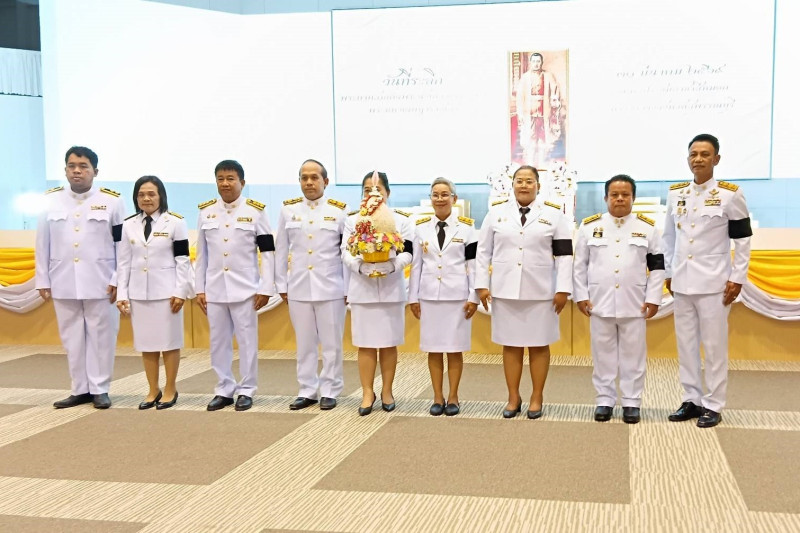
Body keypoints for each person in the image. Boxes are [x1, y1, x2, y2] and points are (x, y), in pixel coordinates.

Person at [663, 134, 752, 428]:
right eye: (694, 154)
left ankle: (713, 404)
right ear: (688, 158)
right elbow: (669, 237)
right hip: (682, 282)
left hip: (715, 284)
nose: (698, 159)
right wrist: (669, 273)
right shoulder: (676, 193)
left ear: (716, 159)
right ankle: (691, 399)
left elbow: (742, 239)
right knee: (686, 344)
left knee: (714, 347)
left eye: (704, 154)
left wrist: (737, 277)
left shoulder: (730, 194)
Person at [476, 165, 572, 419]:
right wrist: (481, 285)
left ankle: (537, 396)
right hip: (505, 291)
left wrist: (563, 288)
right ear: (512, 184)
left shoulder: (554, 215)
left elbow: (564, 255)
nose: (524, 185)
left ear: (538, 186)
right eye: (519, 181)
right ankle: (513, 397)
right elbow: (483, 252)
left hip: (541, 292)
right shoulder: (495, 214)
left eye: (530, 181)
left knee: (539, 345)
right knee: (511, 345)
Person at [35, 146, 126, 409]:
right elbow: (42, 242)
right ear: (65, 170)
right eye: (72, 166)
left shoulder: (112, 201)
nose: (77, 171)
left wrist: (118, 279)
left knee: (102, 336)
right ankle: (79, 388)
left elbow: (121, 244)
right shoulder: (50, 199)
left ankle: (100, 388)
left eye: (83, 166)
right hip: (63, 279)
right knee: (71, 337)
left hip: (102, 280)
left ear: (95, 171)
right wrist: (43, 279)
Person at [573, 175, 665, 424]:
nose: (620, 199)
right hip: (599, 302)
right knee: (602, 354)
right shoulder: (589, 226)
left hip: (634, 302)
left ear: (633, 198)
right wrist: (581, 295)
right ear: (606, 198)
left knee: (633, 355)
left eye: (625, 195)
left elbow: (657, 267)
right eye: (615, 195)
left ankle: (631, 402)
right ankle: (604, 400)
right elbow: (579, 265)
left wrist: (653, 298)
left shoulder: (647, 227)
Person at [195, 160, 275, 412]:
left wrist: (266, 287)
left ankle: (247, 389)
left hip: (246, 289)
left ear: (242, 182)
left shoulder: (256, 211)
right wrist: (199, 288)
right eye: (220, 179)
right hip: (215, 289)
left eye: (230, 178)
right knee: (218, 342)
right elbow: (202, 254)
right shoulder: (206, 212)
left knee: (247, 341)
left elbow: (268, 252)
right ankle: (224, 388)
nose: (225, 183)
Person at [275, 159, 348, 411]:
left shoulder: (339, 211)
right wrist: (281, 283)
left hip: (331, 286)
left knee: (332, 343)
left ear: (325, 181)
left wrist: (347, 288)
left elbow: (345, 252)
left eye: (314, 177)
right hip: (298, 286)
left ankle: (330, 389)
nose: (309, 182)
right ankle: (307, 390)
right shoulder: (288, 210)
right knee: (304, 344)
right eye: (304, 178)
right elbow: (281, 249)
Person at [116, 176, 194, 410]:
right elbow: (123, 262)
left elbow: (182, 260)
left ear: (161, 196)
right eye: (141, 194)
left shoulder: (175, 222)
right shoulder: (128, 224)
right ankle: (153, 390)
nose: (146, 198)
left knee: (169, 342)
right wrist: (122, 294)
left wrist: (180, 290)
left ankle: (170, 389)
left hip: (167, 293)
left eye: (151, 194)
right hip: (139, 293)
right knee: (147, 343)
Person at [342, 171, 414, 416]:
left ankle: (387, 391)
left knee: (388, 343)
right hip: (363, 290)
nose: (372, 194)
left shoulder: (401, 220)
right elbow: (345, 251)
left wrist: (392, 266)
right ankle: (366, 392)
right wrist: (359, 266)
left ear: (387, 193)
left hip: (391, 288)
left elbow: (409, 252)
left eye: (378, 189)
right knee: (365, 344)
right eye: (367, 190)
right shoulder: (353, 220)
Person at [408, 177, 478, 416]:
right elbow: (416, 266)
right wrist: (413, 297)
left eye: (444, 194)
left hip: (457, 297)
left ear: (454, 199)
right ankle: (437, 396)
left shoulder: (467, 228)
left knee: (455, 348)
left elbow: (473, 265)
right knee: (434, 348)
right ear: (430, 199)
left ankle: (454, 396)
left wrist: (473, 296)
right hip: (429, 297)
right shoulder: (420, 228)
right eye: (435, 195)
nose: (440, 199)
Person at [515, 52, 562, 167]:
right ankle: (530, 163)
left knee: (543, 137)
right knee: (530, 137)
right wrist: (520, 113)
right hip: (529, 112)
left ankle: (542, 162)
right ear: (530, 62)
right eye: (534, 61)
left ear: (541, 62)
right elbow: (520, 97)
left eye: (538, 61)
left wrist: (554, 103)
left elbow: (555, 92)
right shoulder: (525, 77)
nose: (536, 64)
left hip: (544, 111)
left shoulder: (548, 76)